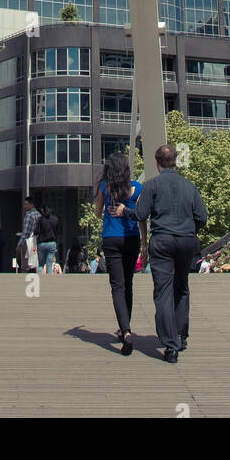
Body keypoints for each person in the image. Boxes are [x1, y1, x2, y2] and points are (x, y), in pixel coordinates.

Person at [120, 142, 206, 364]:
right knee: (182, 287)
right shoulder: (190, 186)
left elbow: (140, 215)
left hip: (162, 241)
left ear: (157, 163)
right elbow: (202, 217)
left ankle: (170, 345)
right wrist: (189, 230)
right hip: (186, 241)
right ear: (175, 161)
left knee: (163, 292)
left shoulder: (152, 185)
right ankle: (181, 335)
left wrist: (123, 211)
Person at [95, 152, 145, 356]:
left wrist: (107, 207)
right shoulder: (137, 188)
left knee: (117, 286)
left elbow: (97, 213)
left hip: (111, 238)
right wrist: (145, 243)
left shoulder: (104, 188)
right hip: (132, 238)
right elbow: (141, 217)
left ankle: (125, 331)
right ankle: (126, 327)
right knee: (128, 284)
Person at [18, 196, 40, 273]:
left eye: (26, 204)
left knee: (25, 264)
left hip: (28, 242)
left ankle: (25, 278)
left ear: (31, 205)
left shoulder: (29, 215)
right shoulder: (38, 214)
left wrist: (20, 244)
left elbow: (26, 232)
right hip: (36, 241)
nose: (24, 206)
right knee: (34, 263)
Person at [35, 204, 59, 274]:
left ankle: (40, 279)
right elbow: (57, 231)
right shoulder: (55, 219)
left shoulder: (40, 219)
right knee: (49, 264)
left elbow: (36, 231)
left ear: (42, 210)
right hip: (52, 243)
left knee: (41, 264)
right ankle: (49, 280)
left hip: (41, 243)